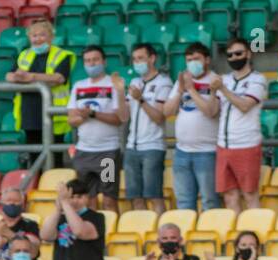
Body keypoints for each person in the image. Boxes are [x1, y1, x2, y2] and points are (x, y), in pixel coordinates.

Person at [163, 43, 221, 212]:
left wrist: (191, 89)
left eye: (196, 59)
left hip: (207, 151)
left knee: (209, 201)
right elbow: (167, 111)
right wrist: (181, 90)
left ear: (207, 60)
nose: (192, 63)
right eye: (189, 60)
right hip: (182, 152)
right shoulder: (182, 81)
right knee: (184, 202)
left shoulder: (215, 81)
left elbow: (211, 111)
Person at [67, 46, 126, 212]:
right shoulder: (78, 86)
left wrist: (92, 114)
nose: (91, 64)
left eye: (95, 60)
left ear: (104, 62)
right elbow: (71, 120)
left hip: (107, 153)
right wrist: (82, 117)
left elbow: (118, 119)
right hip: (83, 153)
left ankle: (110, 232)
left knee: (109, 199)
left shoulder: (113, 85)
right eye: (87, 61)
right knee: (88, 200)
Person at [7, 20, 74, 160]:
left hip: (54, 114)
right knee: (34, 157)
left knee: (55, 159)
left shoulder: (62, 55)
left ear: (51, 37)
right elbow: (9, 75)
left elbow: (59, 78)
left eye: (42, 35)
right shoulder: (24, 54)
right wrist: (18, 77)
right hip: (30, 114)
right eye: (34, 36)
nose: (37, 39)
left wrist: (31, 77)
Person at [214, 37, 266, 212]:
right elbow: (214, 109)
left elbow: (245, 105)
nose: (234, 58)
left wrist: (222, 89)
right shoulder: (224, 79)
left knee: (250, 194)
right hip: (224, 145)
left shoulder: (257, 79)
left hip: (246, 144)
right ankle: (235, 236)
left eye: (238, 53)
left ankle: (254, 235)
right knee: (229, 196)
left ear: (248, 54)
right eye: (230, 55)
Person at [124, 43, 171, 214]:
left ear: (152, 58)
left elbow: (159, 117)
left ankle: (160, 233)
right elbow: (124, 116)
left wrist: (141, 100)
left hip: (152, 147)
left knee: (154, 196)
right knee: (135, 199)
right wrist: (117, 92)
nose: (137, 63)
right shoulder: (135, 81)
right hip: (131, 146)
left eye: (141, 58)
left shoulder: (163, 83)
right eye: (134, 59)